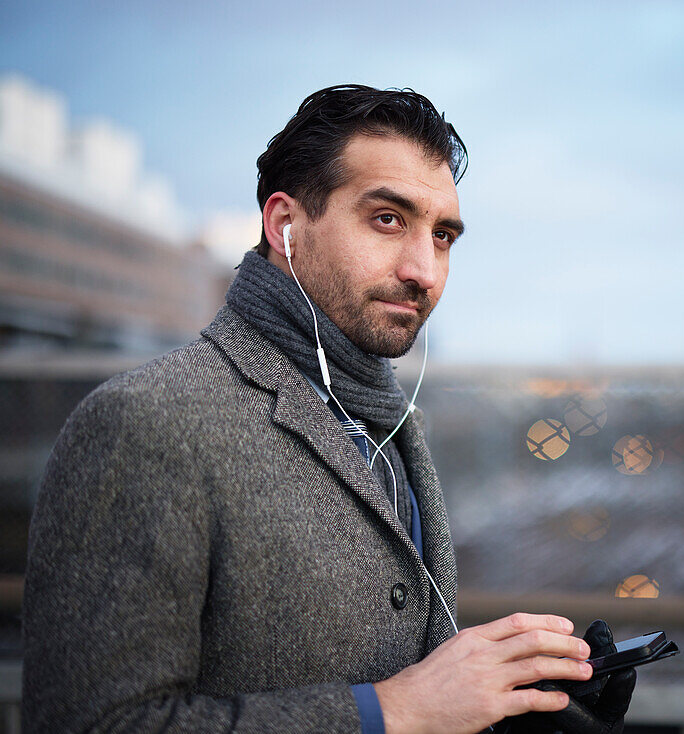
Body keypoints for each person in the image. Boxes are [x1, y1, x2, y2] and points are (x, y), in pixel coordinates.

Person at [21, 85, 635, 733]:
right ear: (285, 226)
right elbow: (90, 721)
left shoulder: (390, 422)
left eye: (444, 234)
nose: (424, 270)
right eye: (388, 219)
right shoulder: (143, 422)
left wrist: (507, 708)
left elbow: (406, 675)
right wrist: (393, 710)